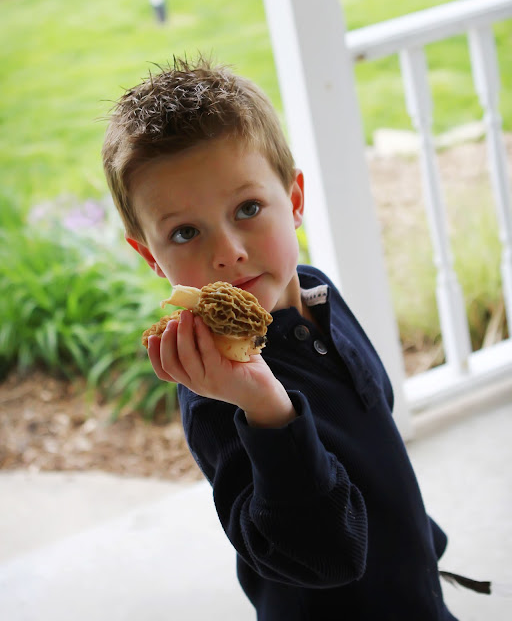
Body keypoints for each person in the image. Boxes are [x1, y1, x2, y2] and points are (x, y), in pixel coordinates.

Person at [102, 57, 458, 620]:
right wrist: (267, 408)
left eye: (247, 208)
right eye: (185, 232)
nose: (228, 252)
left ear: (293, 201)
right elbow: (321, 556)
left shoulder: (315, 289)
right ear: (150, 255)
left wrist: (414, 543)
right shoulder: (216, 388)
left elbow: (373, 431)